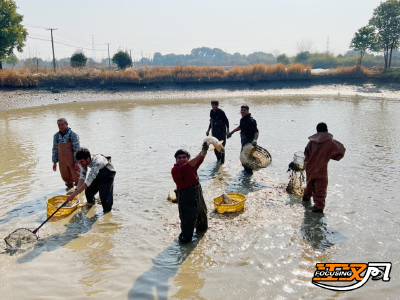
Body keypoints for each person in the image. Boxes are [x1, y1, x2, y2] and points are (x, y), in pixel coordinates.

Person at [302, 122, 346, 213]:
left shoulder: (311, 142)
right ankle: (318, 211)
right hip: (321, 169)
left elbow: (306, 153)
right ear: (327, 130)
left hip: (309, 168)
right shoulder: (330, 142)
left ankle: (305, 199)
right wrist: (332, 156)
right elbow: (341, 151)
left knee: (309, 184)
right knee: (320, 190)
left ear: (317, 131)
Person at [171, 143, 208, 243]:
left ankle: (201, 233)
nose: (182, 159)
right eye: (179, 158)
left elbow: (198, 160)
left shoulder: (192, 166)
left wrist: (203, 151)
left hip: (197, 193)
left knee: (202, 214)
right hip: (185, 196)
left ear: (188, 158)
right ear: (176, 160)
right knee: (187, 219)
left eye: (184, 157)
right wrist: (202, 154)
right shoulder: (176, 170)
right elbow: (188, 165)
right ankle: (185, 242)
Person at [67, 147, 116, 212]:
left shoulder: (97, 162)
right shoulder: (84, 161)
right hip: (97, 174)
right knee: (88, 192)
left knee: (104, 199)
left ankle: (107, 213)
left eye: (81, 161)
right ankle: (91, 205)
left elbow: (88, 182)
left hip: (107, 174)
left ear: (88, 159)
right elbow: (82, 177)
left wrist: (74, 194)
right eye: (79, 162)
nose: (80, 164)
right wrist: (76, 190)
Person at [227, 105, 259, 174]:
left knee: (247, 161)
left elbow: (256, 131)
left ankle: (249, 176)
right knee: (243, 160)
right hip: (244, 144)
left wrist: (255, 140)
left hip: (250, 144)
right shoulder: (242, 120)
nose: (242, 111)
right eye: (241, 110)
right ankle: (247, 175)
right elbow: (240, 127)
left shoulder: (252, 121)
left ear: (248, 111)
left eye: (244, 110)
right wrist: (232, 132)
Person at [52, 118, 80, 189]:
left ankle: (79, 192)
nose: (60, 126)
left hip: (72, 160)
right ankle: (69, 190)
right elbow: (55, 149)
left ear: (66, 124)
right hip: (62, 161)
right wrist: (54, 162)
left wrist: (77, 162)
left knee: (77, 176)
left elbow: (77, 149)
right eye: (59, 125)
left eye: (62, 125)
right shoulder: (56, 136)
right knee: (65, 176)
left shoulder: (73, 135)